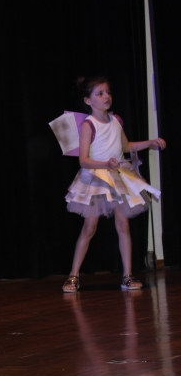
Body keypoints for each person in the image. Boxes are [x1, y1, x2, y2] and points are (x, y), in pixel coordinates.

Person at [63, 76, 166, 293]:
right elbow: (83, 160)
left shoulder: (116, 120)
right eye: (100, 93)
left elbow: (126, 147)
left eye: (108, 92)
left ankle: (127, 276)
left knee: (123, 224)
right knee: (89, 227)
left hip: (117, 176)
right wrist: (105, 164)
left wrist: (151, 142)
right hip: (96, 179)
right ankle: (73, 276)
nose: (106, 96)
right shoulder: (88, 125)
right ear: (88, 100)